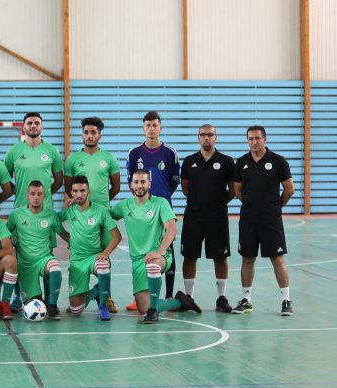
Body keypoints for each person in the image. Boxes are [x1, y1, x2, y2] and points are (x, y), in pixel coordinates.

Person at [110, 170, 200, 323]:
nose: (139, 185)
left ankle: (154, 311)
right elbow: (104, 215)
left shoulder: (160, 203)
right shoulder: (125, 205)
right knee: (142, 309)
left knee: (152, 268)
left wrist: (159, 252)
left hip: (160, 256)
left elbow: (171, 229)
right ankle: (179, 302)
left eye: (143, 182)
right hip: (138, 261)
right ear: (131, 185)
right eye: (136, 182)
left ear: (149, 184)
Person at [232, 126, 295, 316]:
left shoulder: (278, 161)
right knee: (248, 259)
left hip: (271, 220)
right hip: (248, 219)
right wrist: (251, 204)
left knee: (277, 258)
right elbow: (237, 190)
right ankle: (246, 300)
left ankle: (286, 300)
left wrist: (275, 207)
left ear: (265, 139)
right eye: (250, 139)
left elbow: (289, 189)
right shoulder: (242, 162)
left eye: (257, 138)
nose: (254, 142)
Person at [64, 116, 121, 314]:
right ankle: (90, 292)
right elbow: (68, 186)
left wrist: (101, 206)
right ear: (82, 134)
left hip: (101, 214)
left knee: (105, 256)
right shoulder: (73, 159)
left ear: (100, 135)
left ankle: (107, 297)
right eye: (86, 132)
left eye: (93, 132)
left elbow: (116, 187)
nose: (89, 136)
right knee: (85, 251)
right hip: (81, 214)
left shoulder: (109, 158)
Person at [125, 111, 180, 309]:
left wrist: (161, 197)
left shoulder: (170, 153)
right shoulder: (134, 153)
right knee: (142, 249)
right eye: (148, 125)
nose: (151, 129)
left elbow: (174, 182)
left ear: (160, 128)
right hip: (141, 209)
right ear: (143, 128)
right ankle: (142, 294)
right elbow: (131, 181)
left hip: (162, 207)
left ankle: (168, 294)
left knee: (166, 249)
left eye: (155, 125)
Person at [180, 124, 235, 312]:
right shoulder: (189, 162)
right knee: (189, 255)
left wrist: (218, 202)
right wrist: (199, 201)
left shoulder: (227, 162)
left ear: (216, 137)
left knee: (220, 257)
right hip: (193, 215)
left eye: (210, 135)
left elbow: (233, 190)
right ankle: (189, 297)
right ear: (198, 138)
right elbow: (186, 189)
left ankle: (221, 298)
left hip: (217, 216)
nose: (206, 138)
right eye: (203, 135)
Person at [58, 175, 121, 321]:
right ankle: (97, 291)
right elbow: (54, 223)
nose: (79, 194)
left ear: (88, 192)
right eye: (75, 191)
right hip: (77, 260)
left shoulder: (100, 211)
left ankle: (103, 306)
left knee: (103, 266)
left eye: (82, 190)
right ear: (71, 193)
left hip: (94, 256)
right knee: (75, 311)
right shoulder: (68, 210)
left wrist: (106, 252)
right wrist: (69, 238)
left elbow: (116, 236)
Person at [6, 181, 65, 319]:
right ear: (27, 196)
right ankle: (29, 296)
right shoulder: (16, 214)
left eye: (39, 194)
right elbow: (5, 234)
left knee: (55, 266)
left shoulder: (51, 215)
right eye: (32, 194)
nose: (36, 197)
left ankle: (52, 305)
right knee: (35, 304)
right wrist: (11, 245)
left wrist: (80, 244)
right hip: (25, 264)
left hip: (43, 260)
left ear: (44, 196)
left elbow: (64, 234)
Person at [4, 112, 63, 209]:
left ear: (42, 127)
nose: (33, 125)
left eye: (37, 123)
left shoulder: (52, 151)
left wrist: (45, 194)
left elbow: (59, 181)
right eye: (29, 123)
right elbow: (5, 181)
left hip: (46, 208)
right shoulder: (13, 151)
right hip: (21, 208)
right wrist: (19, 191)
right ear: (23, 127)